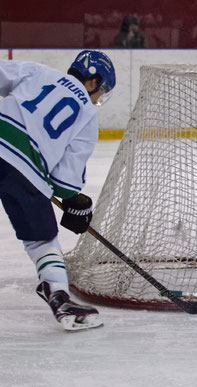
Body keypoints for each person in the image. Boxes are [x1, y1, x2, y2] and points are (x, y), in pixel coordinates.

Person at [0, 50, 116, 331]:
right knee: (42, 241)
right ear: (92, 82)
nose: (98, 98)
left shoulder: (38, 72)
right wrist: (75, 201)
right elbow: (65, 182)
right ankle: (58, 295)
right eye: (101, 91)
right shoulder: (87, 115)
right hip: (25, 172)